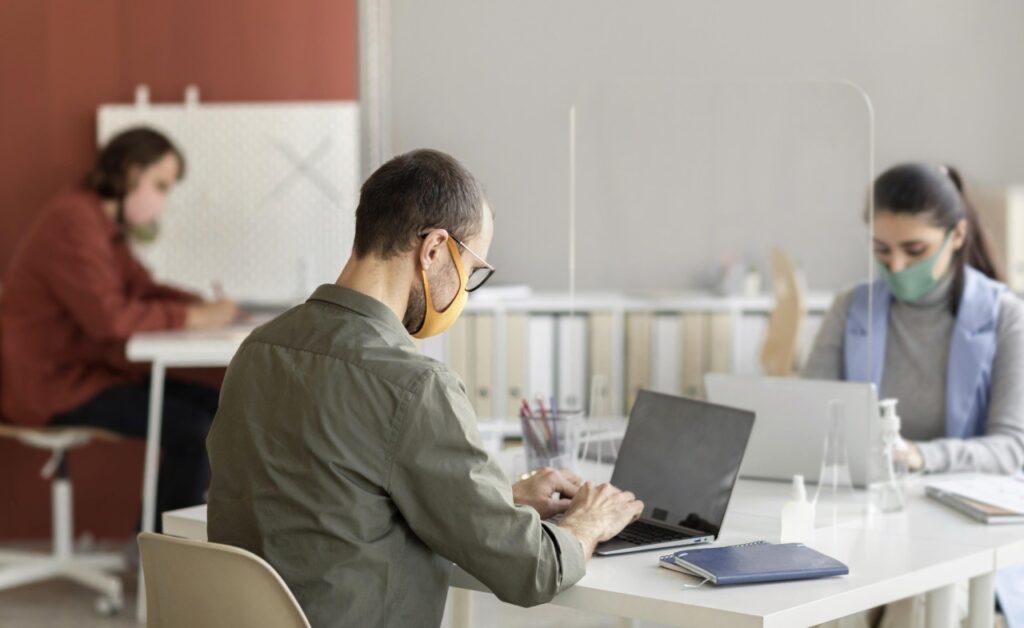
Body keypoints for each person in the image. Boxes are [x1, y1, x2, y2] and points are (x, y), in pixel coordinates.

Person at [206, 149, 643, 627]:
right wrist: (589, 521)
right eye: (471, 270)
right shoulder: (413, 385)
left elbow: (338, 499)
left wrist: (503, 497)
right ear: (434, 249)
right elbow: (532, 570)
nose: (464, 290)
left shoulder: (258, 349)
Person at [804, 162, 1024, 627]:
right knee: (820, 605)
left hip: (958, 534)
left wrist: (920, 456)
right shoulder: (850, 309)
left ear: (957, 236)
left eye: (915, 250)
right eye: (882, 250)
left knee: (916, 610)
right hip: (863, 522)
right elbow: (807, 416)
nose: (897, 266)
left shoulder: (1006, 316)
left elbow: (1012, 448)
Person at [1, 127, 241, 525]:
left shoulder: (100, 222)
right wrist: (196, 317)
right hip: (53, 387)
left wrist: (198, 303)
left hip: (89, 375)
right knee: (193, 428)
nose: (162, 201)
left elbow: (142, 287)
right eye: (160, 185)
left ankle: (160, 536)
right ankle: (162, 548)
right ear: (132, 171)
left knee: (218, 408)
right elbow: (110, 319)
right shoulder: (73, 221)